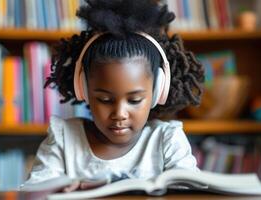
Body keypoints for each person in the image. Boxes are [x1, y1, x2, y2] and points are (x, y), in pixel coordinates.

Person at [22, 0, 205, 192]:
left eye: (134, 100)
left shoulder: (167, 140)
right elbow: (34, 194)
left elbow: (192, 195)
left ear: (158, 91)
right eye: (105, 100)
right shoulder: (63, 139)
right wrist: (58, 189)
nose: (119, 113)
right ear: (83, 88)